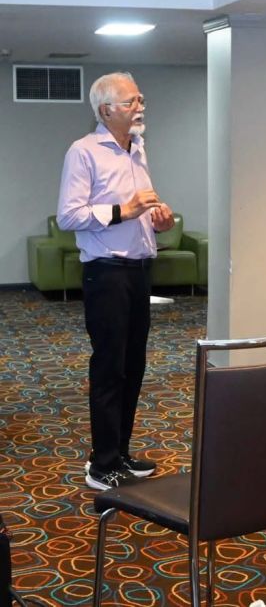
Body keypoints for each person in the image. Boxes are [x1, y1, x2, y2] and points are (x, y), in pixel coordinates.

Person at [57, 72, 174, 490]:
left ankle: (120, 452)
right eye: (131, 101)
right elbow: (69, 215)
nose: (140, 106)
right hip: (106, 273)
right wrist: (123, 210)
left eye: (140, 99)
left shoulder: (137, 148)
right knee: (109, 369)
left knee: (133, 367)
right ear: (106, 110)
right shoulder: (83, 151)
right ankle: (101, 463)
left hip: (140, 271)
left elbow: (143, 212)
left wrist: (158, 221)